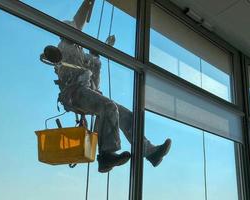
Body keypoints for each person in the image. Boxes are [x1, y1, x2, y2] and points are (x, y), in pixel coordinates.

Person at [40, 0, 171, 173]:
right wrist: (87, 4)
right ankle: (107, 154)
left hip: (86, 91)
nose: (75, 32)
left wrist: (104, 47)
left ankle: (150, 152)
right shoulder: (63, 48)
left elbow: (92, 62)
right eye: (71, 30)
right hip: (73, 94)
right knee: (108, 107)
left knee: (126, 115)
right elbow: (76, 25)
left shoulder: (78, 51)